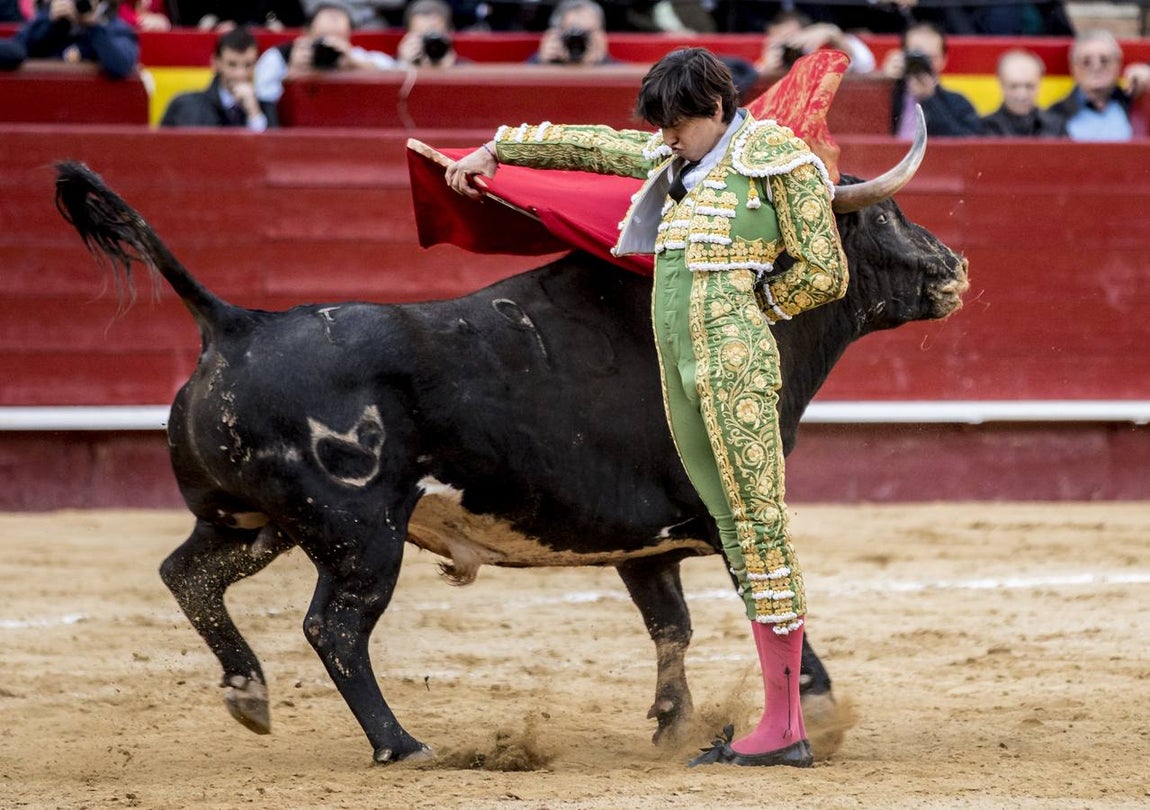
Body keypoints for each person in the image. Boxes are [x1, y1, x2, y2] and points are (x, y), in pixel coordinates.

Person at [445, 47, 848, 768]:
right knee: (729, 526)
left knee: (758, 529)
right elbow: (596, 145)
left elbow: (825, 269)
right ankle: (782, 720)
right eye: (659, 125)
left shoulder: (773, 154)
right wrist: (494, 149)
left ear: (718, 110)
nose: (665, 136)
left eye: (677, 123)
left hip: (734, 367)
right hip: (680, 371)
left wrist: (753, 310)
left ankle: (785, 726)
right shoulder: (677, 163)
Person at [253, 1, 396, 105]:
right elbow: (262, 96)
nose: (328, 49)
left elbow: (396, 71)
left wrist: (354, 63)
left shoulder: (355, 57)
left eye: (335, 40)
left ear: (349, 36)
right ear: (307, 33)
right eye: (322, 40)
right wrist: (290, 73)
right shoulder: (281, 57)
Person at [160, 26, 277, 130]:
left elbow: (274, 151)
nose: (240, 74)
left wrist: (254, 114)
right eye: (232, 64)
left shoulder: (266, 108)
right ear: (216, 63)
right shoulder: (186, 106)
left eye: (248, 65)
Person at [882, 20, 983, 137]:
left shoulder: (958, 103)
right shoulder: (888, 95)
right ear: (902, 55)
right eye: (917, 56)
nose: (923, 64)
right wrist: (883, 84)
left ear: (943, 60)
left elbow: (966, 146)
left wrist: (930, 99)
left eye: (931, 58)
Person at [1045, 29, 1150, 142]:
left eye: (1104, 60)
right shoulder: (1055, 113)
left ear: (1118, 64)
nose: (1096, 67)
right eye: (1086, 62)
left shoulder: (1135, 105)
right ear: (1073, 67)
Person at [15, 0, 139, 80]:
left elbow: (121, 65)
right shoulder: (47, 19)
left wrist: (93, 26)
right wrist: (50, 25)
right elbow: (15, 51)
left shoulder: (113, 26)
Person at [755, 10, 875, 76]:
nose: (789, 48)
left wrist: (833, 33)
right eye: (783, 44)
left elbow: (865, 65)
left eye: (794, 41)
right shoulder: (762, 65)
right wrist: (766, 71)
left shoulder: (821, 60)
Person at [981, 49, 1065, 137]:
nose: (1022, 95)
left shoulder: (1056, 128)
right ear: (1001, 84)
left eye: (1029, 86)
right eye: (1013, 86)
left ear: (1039, 84)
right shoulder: (983, 129)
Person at [527, 0, 614, 66]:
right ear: (556, 35)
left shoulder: (617, 70)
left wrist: (604, 61)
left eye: (587, 33)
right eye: (572, 33)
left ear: (601, 36)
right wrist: (540, 62)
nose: (578, 42)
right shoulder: (545, 60)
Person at [396, 0, 459, 68]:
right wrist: (404, 64)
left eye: (434, 35)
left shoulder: (467, 69)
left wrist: (450, 70)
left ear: (450, 33)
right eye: (421, 37)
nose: (430, 45)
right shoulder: (390, 66)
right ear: (407, 35)